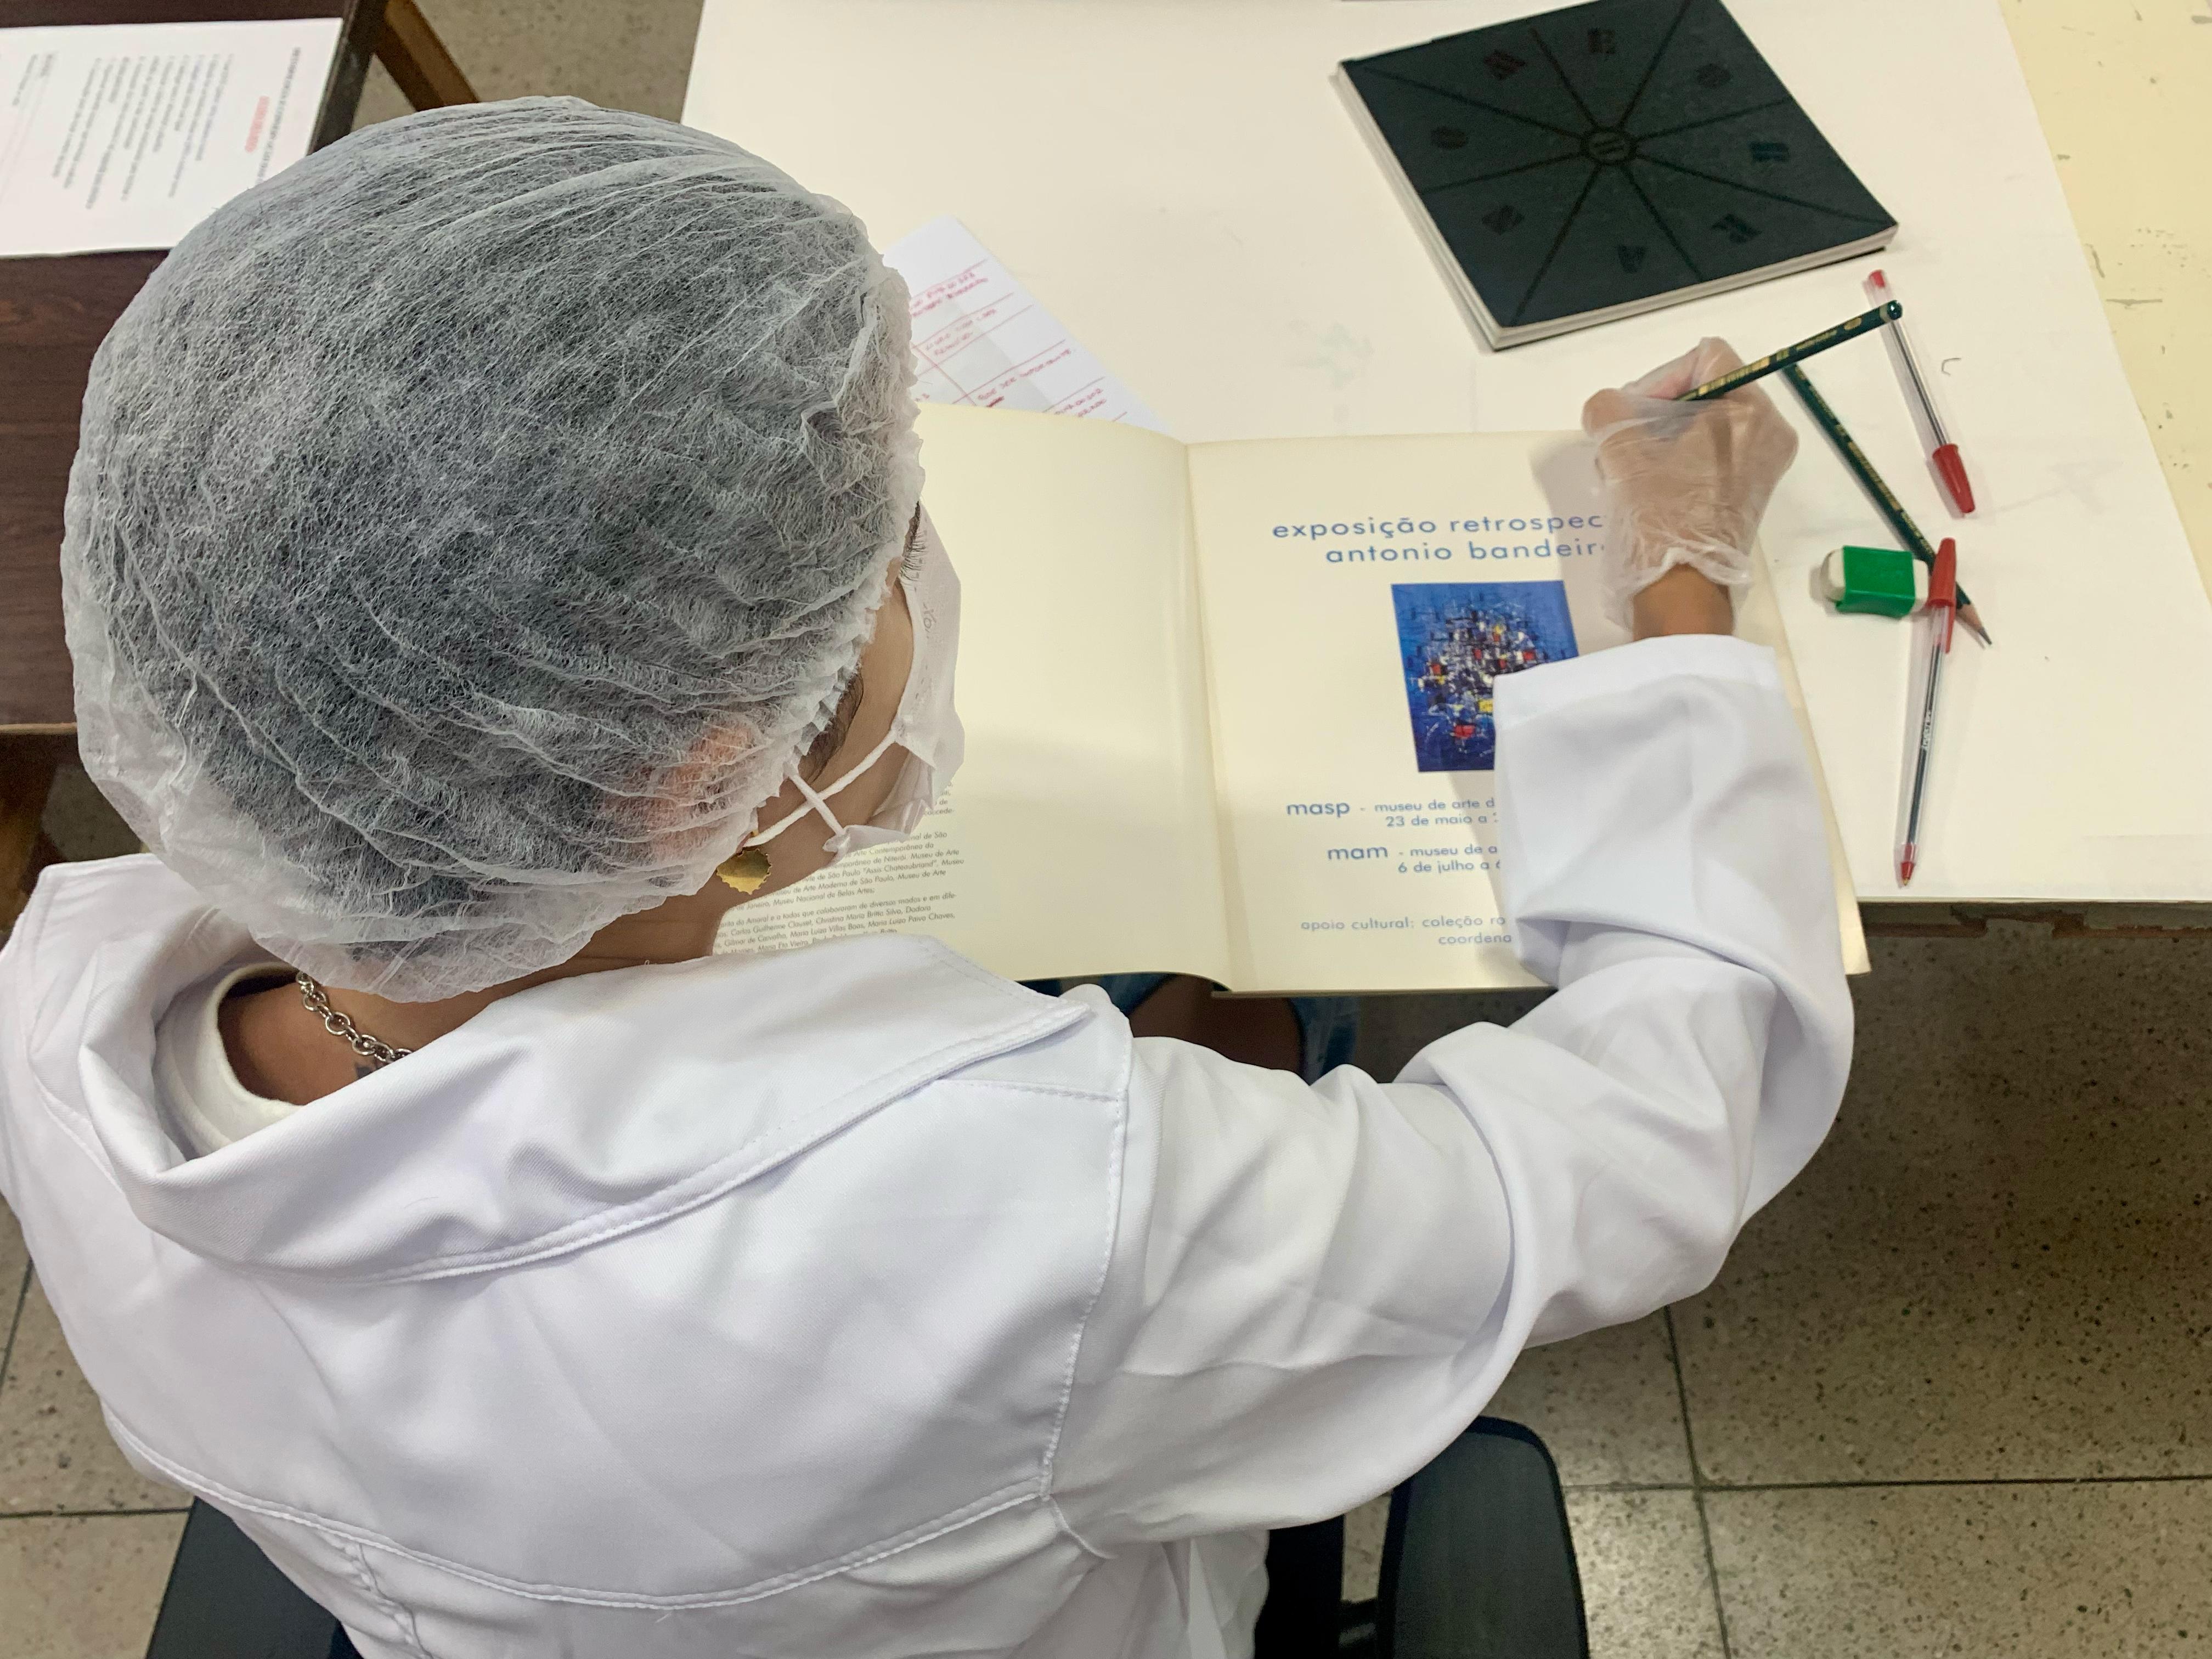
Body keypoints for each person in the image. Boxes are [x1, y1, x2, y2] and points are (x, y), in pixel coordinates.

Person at [0, 99, 1847, 1659]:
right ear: (706, 779)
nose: (913, 569)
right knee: (1284, 1016)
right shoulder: (1024, 1208)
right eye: (889, 547)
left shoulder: (55, 1025)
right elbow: (1645, 1140)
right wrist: (1679, 585)